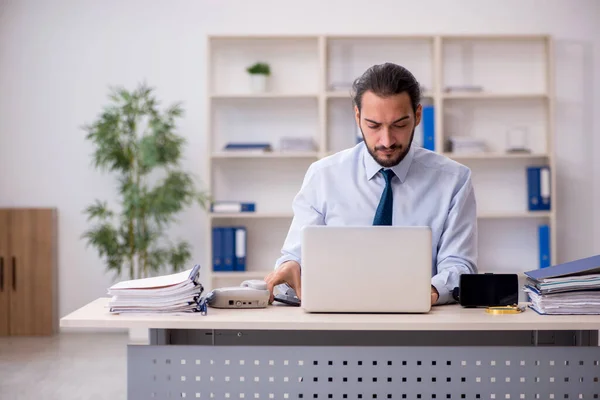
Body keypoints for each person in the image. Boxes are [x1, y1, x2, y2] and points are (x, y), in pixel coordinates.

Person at [264, 62, 477, 306]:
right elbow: (296, 253)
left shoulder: (454, 180)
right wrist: (291, 266)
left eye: (399, 124)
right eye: (374, 125)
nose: (386, 140)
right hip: (336, 318)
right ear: (357, 117)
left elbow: (460, 264)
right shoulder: (323, 176)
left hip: (420, 320)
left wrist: (431, 290)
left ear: (418, 116)